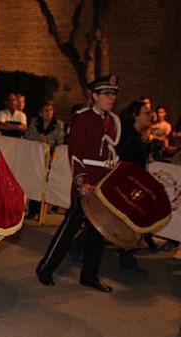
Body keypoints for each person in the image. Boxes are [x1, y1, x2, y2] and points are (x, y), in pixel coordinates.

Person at [36, 75, 121, 293]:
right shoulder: (82, 118)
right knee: (69, 228)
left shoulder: (112, 122)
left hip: (103, 185)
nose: (112, 98)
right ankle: (46, 268)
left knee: (97, 232)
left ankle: (89, 276)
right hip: (85, 182)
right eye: (107, 94)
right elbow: (75, 153)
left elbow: (111, 153)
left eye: (114, 94)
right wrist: (82, 181)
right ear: (95, 96)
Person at [115, 100, 152, 272]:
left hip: (132, 185)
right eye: (146, 112)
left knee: (122, 221)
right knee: (125, 221)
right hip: (125, 185)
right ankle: (127, 259)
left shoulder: (137, 135)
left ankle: (127, 258)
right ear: (135, 116)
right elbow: (120, 156)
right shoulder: (129, 134)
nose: (149, 115)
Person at [24, 100, 64, 219]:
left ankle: (41, 210)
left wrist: (47, 141)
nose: (49, 113)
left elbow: (60, 141)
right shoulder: (35, 122)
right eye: (46, 110)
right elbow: (27, 135)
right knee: (34, 182)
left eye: (51, 110)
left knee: (45, 184)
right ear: (41, 113)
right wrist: (38, 138)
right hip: (35, 156)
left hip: (50, 158)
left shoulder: (58, 124)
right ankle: (32, 210)